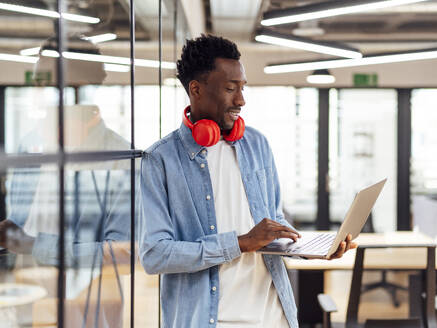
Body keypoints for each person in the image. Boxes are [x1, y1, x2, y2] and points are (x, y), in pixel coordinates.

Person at [138, 34, 356, 328]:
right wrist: (240, 243)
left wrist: (310, 249)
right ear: (196, 89)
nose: (241, 100)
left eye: (242, 88)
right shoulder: (161, 160)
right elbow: (155, 255)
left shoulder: (257, 145)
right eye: (230, 89)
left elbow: (272, 225)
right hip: (211, 320)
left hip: (274, 317)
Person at [0, 36, 132, 328]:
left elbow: (121, 251)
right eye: (40, 85)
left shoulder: (120, 159)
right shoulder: (30, 145)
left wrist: (32, 245)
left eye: (51, 86)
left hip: (91, 300)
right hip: (29, 292)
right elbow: (15, 229)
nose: (43, 96)